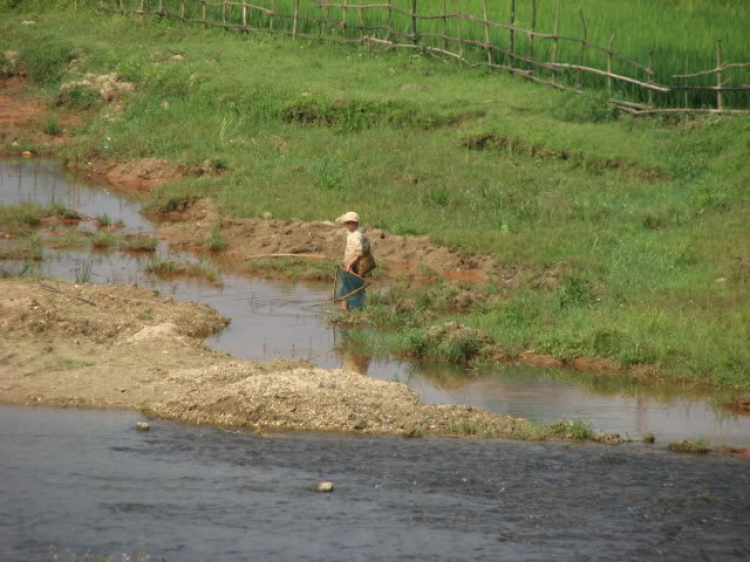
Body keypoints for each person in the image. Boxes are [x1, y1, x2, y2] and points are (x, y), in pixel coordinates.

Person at [336, 211, 375, 310]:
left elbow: (358, 252)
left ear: (356, 223)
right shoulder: (351, 233)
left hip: (354, 265)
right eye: (348, 223)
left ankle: (345, 312)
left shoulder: (356, 235)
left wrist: (349, 265)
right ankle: (351, 310)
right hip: (352, 264)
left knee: (348, 290)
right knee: (352, 289)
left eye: (352, 223)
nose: (350, 225)